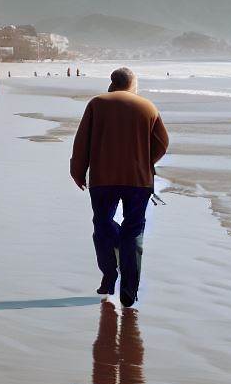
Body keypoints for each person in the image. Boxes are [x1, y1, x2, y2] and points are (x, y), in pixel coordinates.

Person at [70, 67, 169, 308]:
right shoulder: (148, 107)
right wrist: (145, 162)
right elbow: (162, 144)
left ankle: (109, 276)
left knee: (102, 224)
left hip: (103, 178)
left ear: (113, 83)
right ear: (133, 84)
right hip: (138, 180)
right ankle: (129, 291)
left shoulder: (97, 104)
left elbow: (82, 140)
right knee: (133, 230)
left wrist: (78, 170)